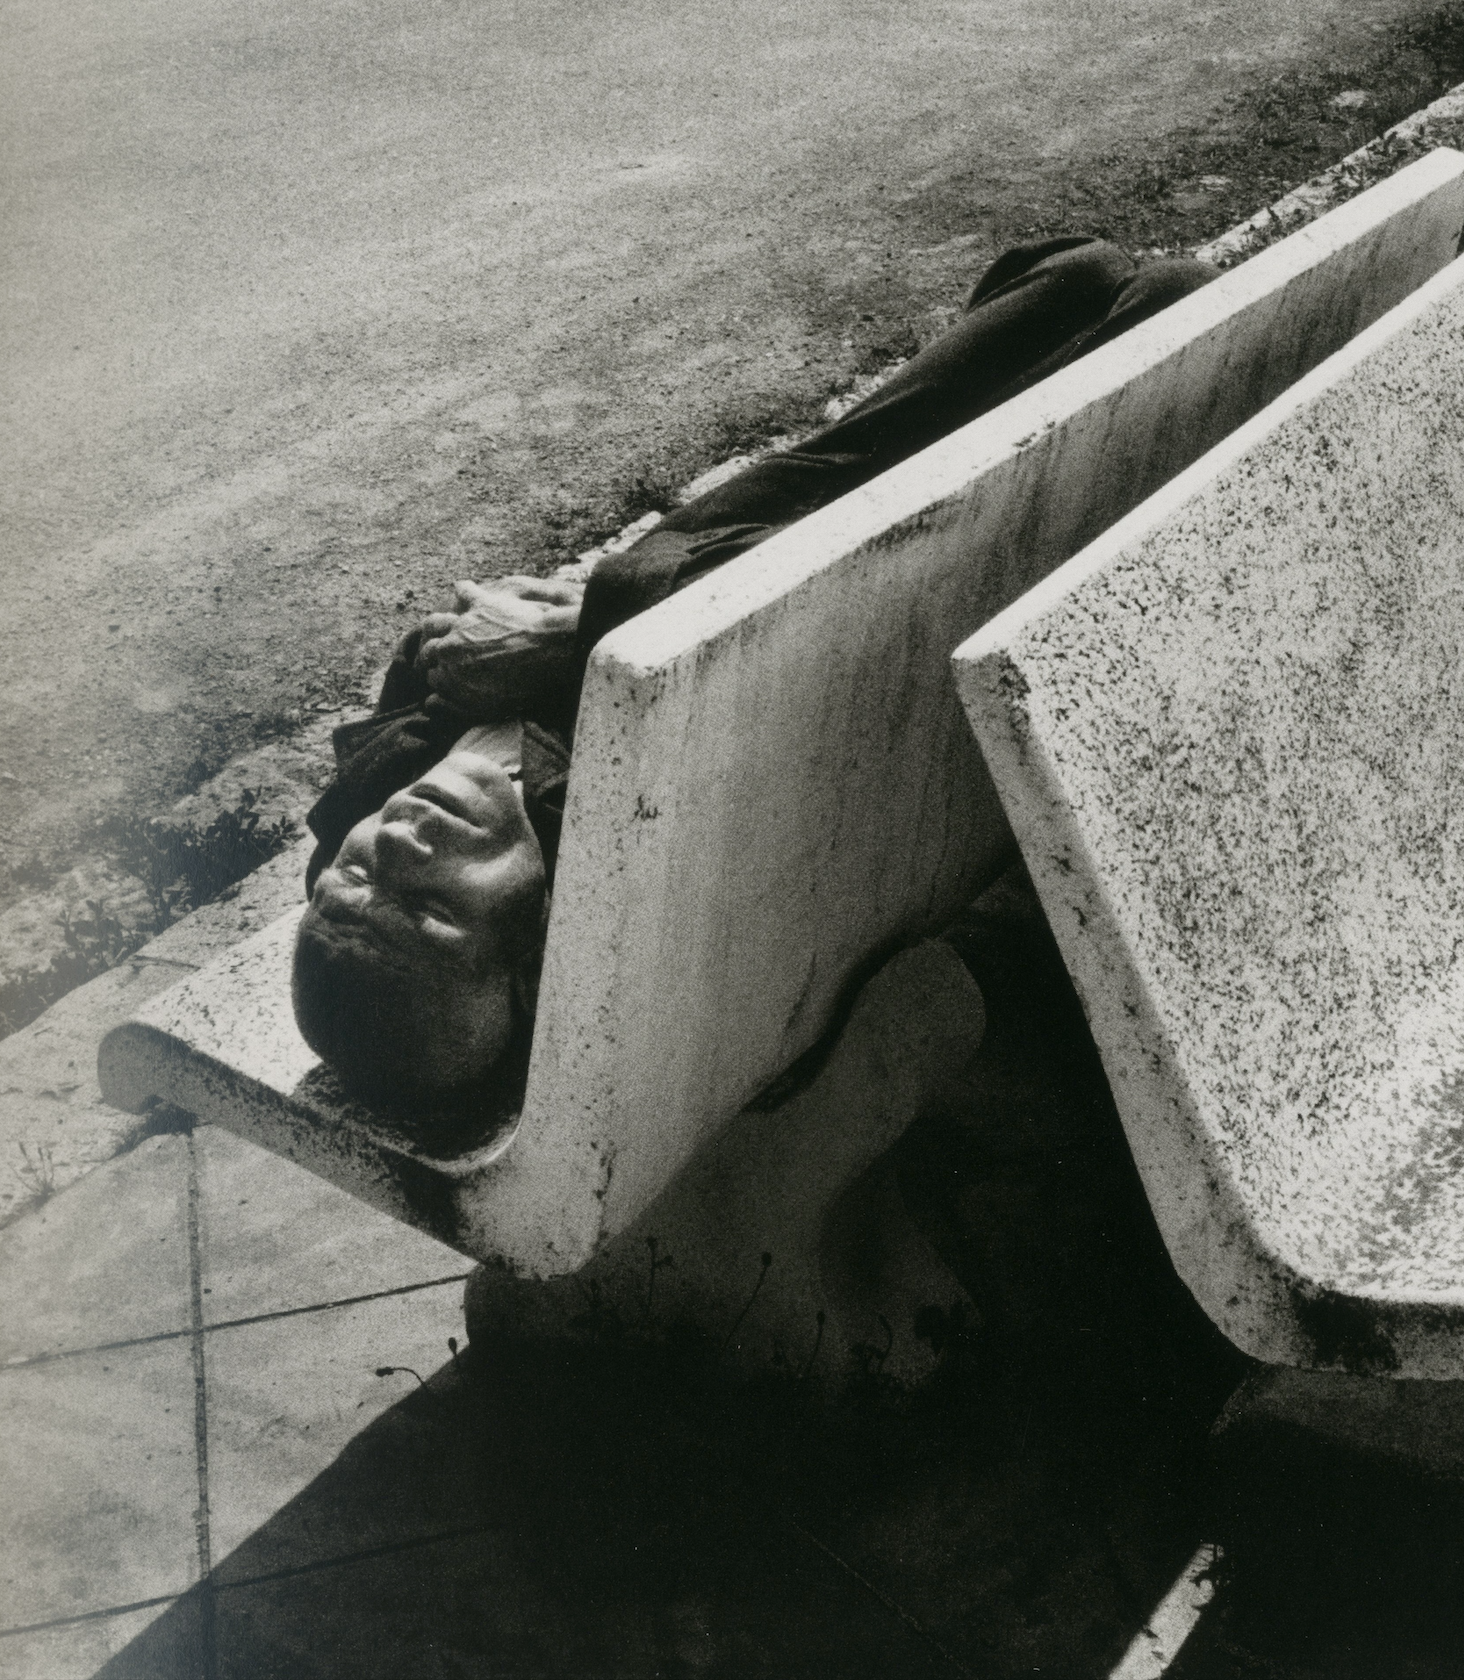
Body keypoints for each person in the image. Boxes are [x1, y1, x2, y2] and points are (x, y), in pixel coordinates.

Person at [290, 237, 1216, 1131]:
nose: (401, 848)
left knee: (1077, 295)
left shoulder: (380, 810)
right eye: (431, 907)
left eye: (356, 873)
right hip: (813, 616)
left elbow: (422, 665)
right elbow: (780, 669)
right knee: (659, 586)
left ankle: (1078, 305)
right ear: (540, 957)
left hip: (799, 579)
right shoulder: (636, 858)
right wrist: (586, 636)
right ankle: (1086, 309)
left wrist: (470, 672)